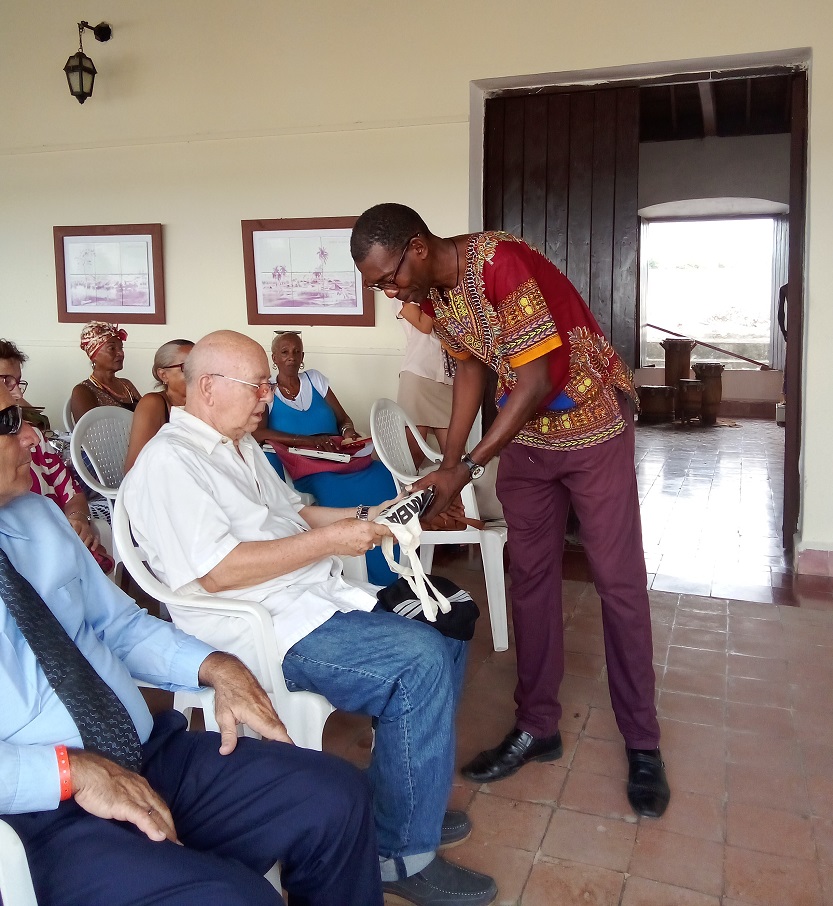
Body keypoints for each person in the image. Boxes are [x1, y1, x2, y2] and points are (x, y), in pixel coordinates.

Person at [123, 330, 497, 906]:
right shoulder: (171, 463)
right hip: (261, 625)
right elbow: (219, 573)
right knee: (417, 662)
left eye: (266, 386)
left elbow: (298, 515)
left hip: (312, 598)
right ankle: (400, 855)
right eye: (256, 386)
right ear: (208, 387)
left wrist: (374, 515)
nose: (267, 398)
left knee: (447, 623)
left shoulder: (239, 445)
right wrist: (332, 543)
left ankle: (402, 804)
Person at [0, 382, 383, 906]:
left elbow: (119, 627)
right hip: (43, 816)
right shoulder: (170, 459)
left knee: (338, 797)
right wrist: (69, 772)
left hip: (146, 754)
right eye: (9, 422)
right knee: (239, 898)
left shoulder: (37, 519)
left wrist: (215, 665)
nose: (31, 437)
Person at [351, 203, 670, 818]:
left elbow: (536, 378)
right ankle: (537, 725)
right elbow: (472, 372)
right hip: (528, 439)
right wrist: (448, 464)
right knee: (529, 579)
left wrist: (469, 467)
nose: (389, 292)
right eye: (377, 285)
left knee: (618, 582)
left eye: (389, 277)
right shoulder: (439, 295)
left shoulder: (500, 262)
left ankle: (643, 741)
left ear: (418, 247)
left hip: (593, 427)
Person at [253, 329, 399, 585]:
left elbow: (343, 418)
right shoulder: (269, 392)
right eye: (284, 352)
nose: (291, 357)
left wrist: (348, 431)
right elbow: (259, 433)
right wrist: (306, 441)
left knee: (381, 474)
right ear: (274, 358)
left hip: (337, 454)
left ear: (303, 356)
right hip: (305, 463)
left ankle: (399, 561)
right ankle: (365, 574)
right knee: (331, 488)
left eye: (296, 352)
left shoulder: (315, 380)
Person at [0, 339, 114, 573]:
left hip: (61, 550)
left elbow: (71, 492)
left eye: (18, 382)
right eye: (6, 381)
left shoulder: (35, 439)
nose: (17, 392)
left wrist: (78, 519)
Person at [394, 300, 455, 469]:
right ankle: (402, 486)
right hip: (418, 376)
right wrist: (435, 294)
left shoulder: (448, 293)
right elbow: (424, 326)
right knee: (414, 454)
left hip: (448, 379)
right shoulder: (401, 298)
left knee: (454, 455)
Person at [124, 339, 194, 472]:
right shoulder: (153, 404)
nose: (197, 374)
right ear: (163, 375)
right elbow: (134, 467)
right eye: (187, 367)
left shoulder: (204, 404)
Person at [70, 321, 142, 423]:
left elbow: (147, 414)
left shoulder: (126, 385)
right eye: (112, 348)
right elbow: (87, 429)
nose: (121, 353)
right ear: (94, 355)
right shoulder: (83, 391)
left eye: (121, 348)